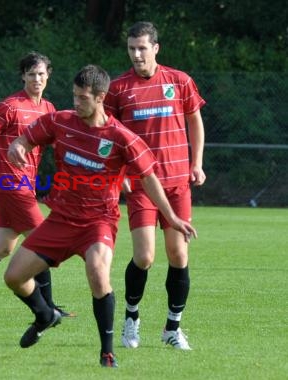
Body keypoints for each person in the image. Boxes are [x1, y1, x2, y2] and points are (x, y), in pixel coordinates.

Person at [3, 65, 197, 368]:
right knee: (13, 277)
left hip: (98, 222)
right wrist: (18, 145)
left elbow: (148, 178)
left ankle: (107, 352)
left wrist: (170, 216)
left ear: (101, 98)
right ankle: (44, 314)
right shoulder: (61, 121)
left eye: (82, 98)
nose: (76, 103)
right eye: (74, 96)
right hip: (60, 219)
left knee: (97, 271)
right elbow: (27, 138)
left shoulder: (122, 138)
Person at [104, 21, 206, 350]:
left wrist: (197, 163)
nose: (136, 54)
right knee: (145, 256)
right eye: (132, 48)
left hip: (177, 184)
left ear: (155, 48)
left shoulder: (179, 81)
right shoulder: (118, 89)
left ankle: (172, 328)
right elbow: (108, 135)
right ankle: (131, 319)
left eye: (142, 48)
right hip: (141, 185)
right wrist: (116, 175)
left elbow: (194, 120)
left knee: (178, 255)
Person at [0, 51, 73, 318]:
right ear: (23, 76)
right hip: (10, 184)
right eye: (31, 74)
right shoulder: (10, 106)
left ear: (48, 76)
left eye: (41, 74)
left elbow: (58, 146)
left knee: (2, 247)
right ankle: (49, 307)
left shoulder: (49, 109)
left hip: (24, 186)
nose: (37, 79)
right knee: (43, 242)